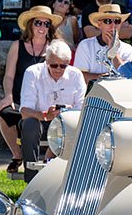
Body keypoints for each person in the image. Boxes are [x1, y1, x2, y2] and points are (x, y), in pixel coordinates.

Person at [0, 5, 62, 175]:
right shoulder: (17, 46)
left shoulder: (55, 48)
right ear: (30, 25)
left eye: (46, 24)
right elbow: (9, 76)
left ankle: (46, 160)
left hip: (47, 104)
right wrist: (8, 95)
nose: (42, 27)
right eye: (38, 23)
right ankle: (16, 155)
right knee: (3, 111)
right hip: (21, 102)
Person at [18, 40, 84, 175]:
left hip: (67, 123)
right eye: (54, 65)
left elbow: (81, 109)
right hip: (40, 121)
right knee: (30, 124)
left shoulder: (76, 75)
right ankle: (30, 175)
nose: (58, 69)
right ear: (46, 61)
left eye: (63, 66)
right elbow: (24, 111)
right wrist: (43, 115)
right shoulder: (32, 72)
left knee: (77, 125)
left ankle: (67, 174)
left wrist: (66, 110)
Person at [75, 4, 132, 82]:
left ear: (121, 24)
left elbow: (129, 76)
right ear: (99, 24)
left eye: (117, 21)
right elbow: (79, 76)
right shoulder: (85, 45)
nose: (113, 26)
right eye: (108, 21)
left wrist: (113, 52)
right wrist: (103, 78)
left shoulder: (128, 49)